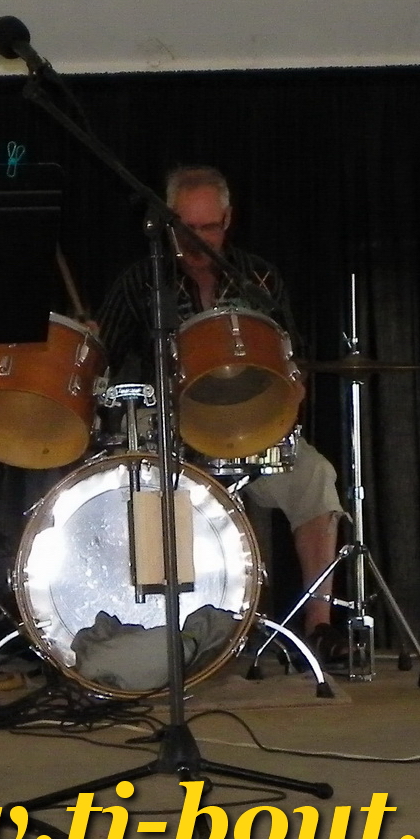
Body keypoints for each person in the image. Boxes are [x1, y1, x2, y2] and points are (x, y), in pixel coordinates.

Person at [95, 165, 346, 653]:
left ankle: (319, 626)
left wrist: (292, 393)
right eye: (185, 228)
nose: (196, 241)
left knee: (316, 476)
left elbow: (292, 358)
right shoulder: (140, 282)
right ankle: (168, 632)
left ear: (228, 220)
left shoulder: (259, 278)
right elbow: (102, 359)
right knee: (141, 481)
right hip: (169, 430)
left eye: (208, 228)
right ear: (167, 224)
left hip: (251, 424)